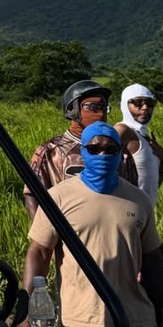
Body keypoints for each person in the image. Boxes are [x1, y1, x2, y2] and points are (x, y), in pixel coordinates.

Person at [23, 122, 163, 327]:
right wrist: (27, 306)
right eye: (94, 149)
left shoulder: (138, 200)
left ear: (120, 152)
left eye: (110, 149)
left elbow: (154, 260)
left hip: (136, 320)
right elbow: (39, 253)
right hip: (82, 323)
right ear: (83, 152)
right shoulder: (59, 198)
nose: (102, 155)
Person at [23, 80, 136, 221]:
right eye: (94, 107)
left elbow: (133, 192)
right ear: (73, 109)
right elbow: (32, 194)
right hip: (67, 229)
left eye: (104, 108)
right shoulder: (51, 151)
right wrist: (43, 231)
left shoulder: (118, 150)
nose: (101, 113)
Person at [114, 84, 163, 205]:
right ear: (125, 105)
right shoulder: (123, 130)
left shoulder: (145, 137)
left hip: (145, 210)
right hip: (127, 209)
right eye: (137, 103)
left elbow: (151, 187)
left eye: (150, 103)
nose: (145, 108)